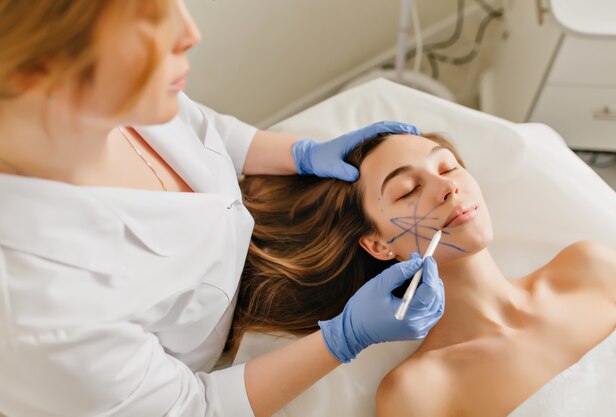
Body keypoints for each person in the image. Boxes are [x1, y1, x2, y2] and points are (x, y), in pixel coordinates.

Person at [0, 2, 446, 417]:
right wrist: (344, 339)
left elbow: (198, 127)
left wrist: (301, 154)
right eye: (144, 21)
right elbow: (196, 408)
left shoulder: (104, 102)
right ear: (37, 70)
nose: (190, 33)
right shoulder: (43, 313)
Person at [234, 133, 616, 416]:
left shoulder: (589, 267)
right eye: (407, 190)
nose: (446, 187)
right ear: (378, 245)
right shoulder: (419, 392)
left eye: (448, 166)